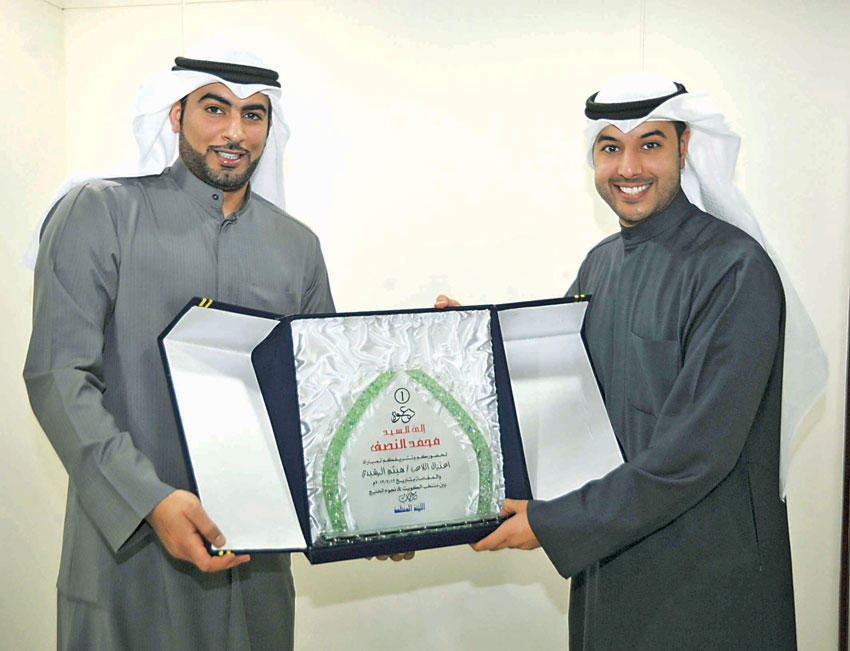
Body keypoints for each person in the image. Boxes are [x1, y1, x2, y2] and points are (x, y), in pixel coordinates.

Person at [464, 74, 808, 648]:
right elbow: (550, 385)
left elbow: (694, 455)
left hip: (706, 584)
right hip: (611, 565)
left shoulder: (735, 269)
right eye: (610, 148)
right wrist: (461, 346)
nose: (629, 167)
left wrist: (554, 523)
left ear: (684, 147)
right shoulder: (599, 265)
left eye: (650, 144)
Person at [23, 50, 334, 649]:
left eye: (253, 115)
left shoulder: (298, 247)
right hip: (126, 550)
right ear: (175, 114)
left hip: (255, 566)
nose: (234, 132)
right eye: (215, 109)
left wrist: (377, 504)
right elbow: (58, 376)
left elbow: (322, 398)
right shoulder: (101, 212)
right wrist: (149, 501)